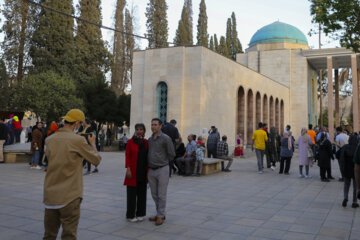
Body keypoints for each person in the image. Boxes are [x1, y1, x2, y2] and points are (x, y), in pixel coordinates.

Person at [43, 109, 101, 240]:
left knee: (49, 235)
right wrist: (92, 144)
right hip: (69, 195)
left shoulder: (50, 139)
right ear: (77, 123)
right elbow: (96, 160)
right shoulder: (77, 140)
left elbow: (47, 160)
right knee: (69, 235)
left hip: (50, 195)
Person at [147, 118, 175, 226]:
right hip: (151, 170)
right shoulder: (150, 139)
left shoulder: (165, 138)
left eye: (155, 124)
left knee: (161, 195)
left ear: (160, 126)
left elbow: (171, 154)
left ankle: (160, 216)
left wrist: (163, 161)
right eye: (152, 124)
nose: (153, 126)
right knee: (154, 194)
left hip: (162, 169)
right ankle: (160, 213)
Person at [124, 123, 149, 222]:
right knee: (131, 195)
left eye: (141, 129)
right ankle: (130, 215)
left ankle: (140, 213)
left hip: (143, 171)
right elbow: (127, 156)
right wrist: (128, 168)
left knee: (142, 194)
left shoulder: (146, 142)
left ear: (144, 131)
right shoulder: (130, 142)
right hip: (133, 171)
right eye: (137, 129)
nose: (139, 131)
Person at [340, 134, 359, 208]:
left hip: (346, 169)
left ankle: (345, 197)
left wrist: (342, 169)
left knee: (346, 184)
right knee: (356, 186)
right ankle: (354, 202)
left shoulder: (345, 147)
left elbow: (342, 159)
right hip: (355, 170)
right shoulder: (358, 148)